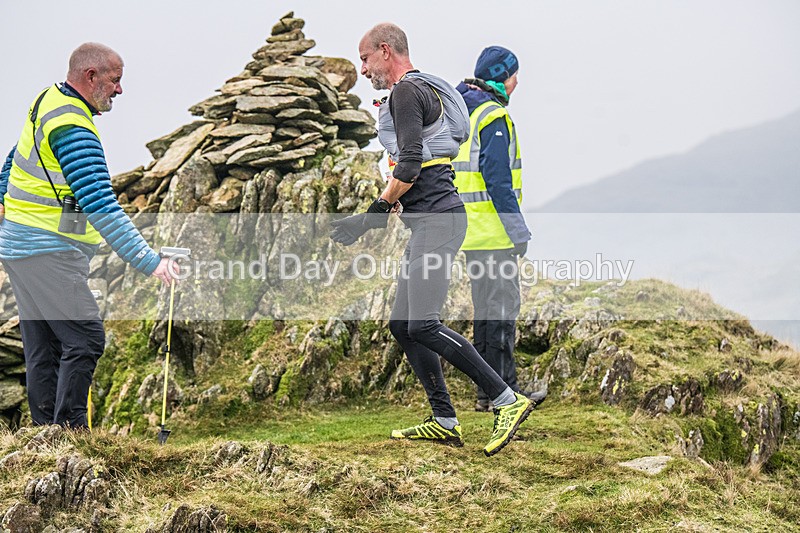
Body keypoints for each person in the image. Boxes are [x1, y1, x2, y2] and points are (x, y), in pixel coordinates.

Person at [330, 23, 534, 457]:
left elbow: (407, 166)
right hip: (433, 221)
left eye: (365, 59)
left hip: (440, 222)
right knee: (403, 326)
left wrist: (371, 216)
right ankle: (444, 419)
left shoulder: (406, 91)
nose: (362, 69)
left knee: (423, 323)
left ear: (386, 51)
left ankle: (506, 399)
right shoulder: (423, 90)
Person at [0, 43, 178, 429]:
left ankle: (47, 436)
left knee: (44, 346)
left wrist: (2, 198)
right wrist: (151, 262)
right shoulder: (76, 130)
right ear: (90, 76)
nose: (119, 90)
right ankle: (71, 432)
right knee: (85, 338)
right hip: (46, 251)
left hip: (19, 247)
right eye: (115, 81)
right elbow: (100, 204)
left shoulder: (48, 101)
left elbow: (16, 156)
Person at [454, 46, 547, 412]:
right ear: (500, 76)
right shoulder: (492, 117)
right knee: (502, 315)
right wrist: (518, 232)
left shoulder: (465, 112)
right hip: (494, 234)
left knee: (486, 314)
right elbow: (497, 181)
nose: (517, 81)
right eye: (513, 74)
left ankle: (487, 393)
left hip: (472, 233)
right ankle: (504, 394)